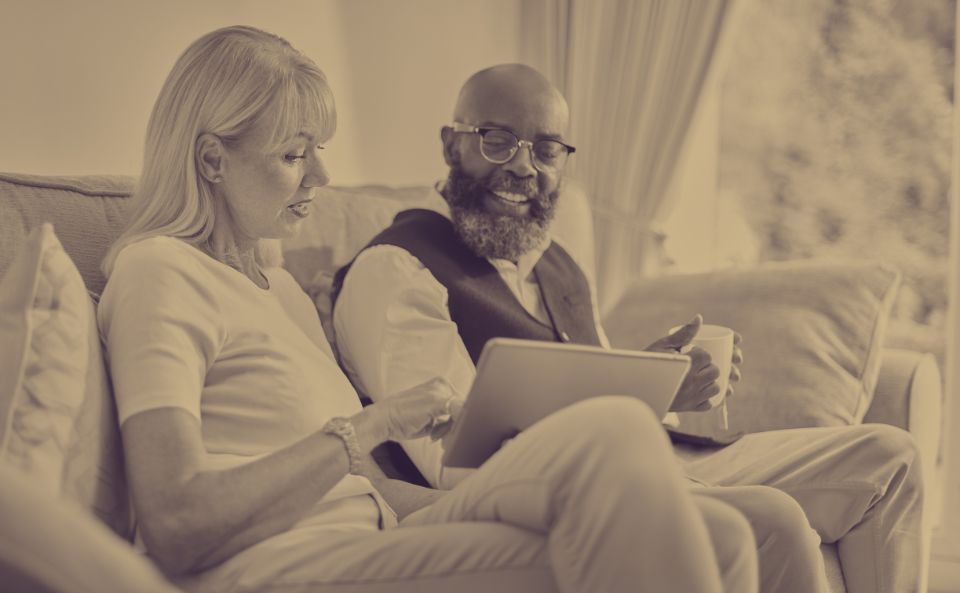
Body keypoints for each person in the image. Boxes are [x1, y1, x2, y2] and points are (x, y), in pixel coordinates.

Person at [97, 26, 759, 593]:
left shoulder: (280, 291)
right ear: (212, 158)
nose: (321, 178)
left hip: (377, 532)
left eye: (317, 152)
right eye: (294, 155)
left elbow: (367, 489)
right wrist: (373, 425)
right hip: (287, 566)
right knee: (613, 431)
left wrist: (477, 505)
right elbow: (177, 523)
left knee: (725, 532)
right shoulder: (160, 271)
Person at [333, 63, 925, 593]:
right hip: (573, 487)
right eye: (496, 139)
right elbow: (460, 455)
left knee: (889, 455)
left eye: (546, 149)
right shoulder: (398, 267)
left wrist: (662, 382)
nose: (522, 165)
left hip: (661, 454)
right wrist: (635, 398)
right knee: (774, 521)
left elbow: (612, 395)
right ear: (450, 144)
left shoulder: (557, 261)